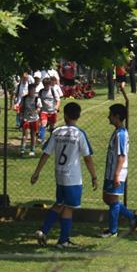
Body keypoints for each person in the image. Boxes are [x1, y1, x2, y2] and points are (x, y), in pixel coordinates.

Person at [31, 102, 97, 249]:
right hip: (72, 177)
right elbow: (87, 158)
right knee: (68, 207)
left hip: (59, 175)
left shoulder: (57, 132)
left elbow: (46, 153)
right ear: (78, 116)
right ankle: (62, 240)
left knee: (60, 204)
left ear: (65, 115)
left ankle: (44, 231)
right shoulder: (79, 134)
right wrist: (94, 176)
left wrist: (37, 172)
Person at [100, 104, 137, 237]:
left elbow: (122, 156)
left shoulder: (121, 134)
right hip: (111, 172)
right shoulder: (118, 132)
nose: (108, 117)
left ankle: (113, 230)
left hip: (116, 172)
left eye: (110, 115)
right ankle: (132, 217)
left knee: (112, 200)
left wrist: (117, 175)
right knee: (107, 198)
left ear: (117, 116)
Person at [18, 84, 41, 156]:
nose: (32, 92)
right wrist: (21, 115)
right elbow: (21, 107)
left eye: (33, 90)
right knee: (25, 134)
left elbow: (39, 108)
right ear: (28, 90)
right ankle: (22, 149)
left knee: (33, 134)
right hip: (26, 119)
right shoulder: (24, 98)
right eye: (31, 90)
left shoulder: (37, 99)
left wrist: (36, 111)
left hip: (34, 119)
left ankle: (32, 149)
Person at [38, 77, 62, 144]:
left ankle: (52, 139)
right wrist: (38, 107)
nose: (46, 86)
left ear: (50, 84)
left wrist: (56, 107)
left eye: (47, 84)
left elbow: (58, 100)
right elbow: (38, 100)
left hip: (52, 111)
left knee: (52, 126)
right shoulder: (41, 91)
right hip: (44, 111)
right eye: (45, 85)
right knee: (43, 123)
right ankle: (41, 139)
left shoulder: (53, 91)